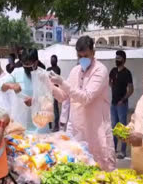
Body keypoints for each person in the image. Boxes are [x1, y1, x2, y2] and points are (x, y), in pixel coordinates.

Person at [49, 36, 116, 171]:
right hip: (78, 132)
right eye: (79, 56)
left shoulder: (100, 71)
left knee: (101, 173)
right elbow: (64, 97)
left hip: (96, 133)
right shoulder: (75, 71)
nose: (82, 59)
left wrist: (62, 82)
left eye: (86, 55)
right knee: (78, 172)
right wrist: (49, 85)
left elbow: (86, 97)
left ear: (93, 52)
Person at [0, 49, 50, 133]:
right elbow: (0, 86)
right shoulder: (17, 73)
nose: (25, 66)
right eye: (24, 63)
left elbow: (49, 99)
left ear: (36, 62)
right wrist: (11, 85)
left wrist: (35, 101)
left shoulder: (43, 75)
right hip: (20, 125)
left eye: (28, 64)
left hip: (39, 127)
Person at [109, 50, 134, 159]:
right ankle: (113, 149)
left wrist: (123, 99)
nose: (116, 60)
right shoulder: (113, 71)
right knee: (114, 127)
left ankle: (123, 151)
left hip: (121, 104)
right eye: (116, 58)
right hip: (113, 103)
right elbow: (110, 82)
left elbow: (131, 89)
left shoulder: (127, 73)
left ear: (123, 60)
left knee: (122, 127)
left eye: (119, 58)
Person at [47, 55, 61, 131]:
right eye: (51, 59)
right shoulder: (48, 69)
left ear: (56, 61)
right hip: (49, 90)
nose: (52, 61)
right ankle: (49, 124)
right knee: (48, 108)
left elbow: (53, 76)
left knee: (55, 108)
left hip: (55, 91)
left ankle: (56, 125)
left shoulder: (57, 69)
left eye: (53, 60)